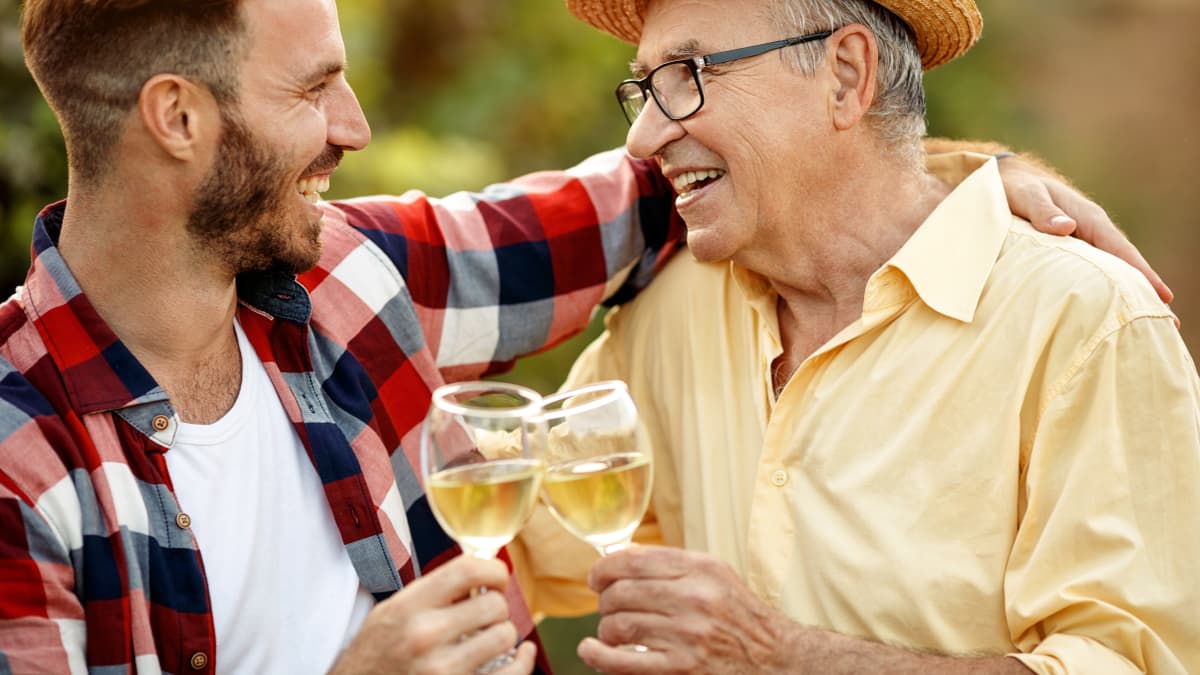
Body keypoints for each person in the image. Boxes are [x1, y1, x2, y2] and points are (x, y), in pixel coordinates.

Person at [0, 0, 1169, 673]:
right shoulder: (22, 463)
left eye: (689, 75)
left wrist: (966, 188)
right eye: (313, 91)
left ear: (849, 72)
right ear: (179, 118)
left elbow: (747, 186)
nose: (356, 128)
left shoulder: (354, 276)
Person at [511, 0, 1200, 673]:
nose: (642, 138)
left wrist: (783, 657)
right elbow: (515, 548)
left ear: (844, 76)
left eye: (690, 74)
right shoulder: (675, 313)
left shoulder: (1083, 320)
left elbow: (1128, 661)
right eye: (647, 87)